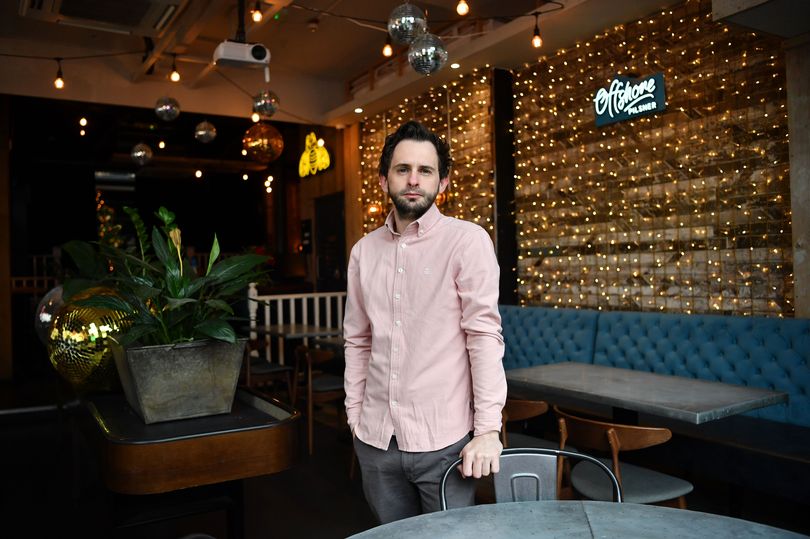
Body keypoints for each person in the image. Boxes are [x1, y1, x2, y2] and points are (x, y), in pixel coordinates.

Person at [343, 120, 507, 524]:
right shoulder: (363, 251)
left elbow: (483, 336)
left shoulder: (467, 241)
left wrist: (488, 429)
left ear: (442, 181)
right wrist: (355, 415)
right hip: (375, 440)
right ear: (384, 180)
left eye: (425, 170)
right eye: (403, 169)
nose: (413, 180)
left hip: (445, 443)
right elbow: (358, 340)